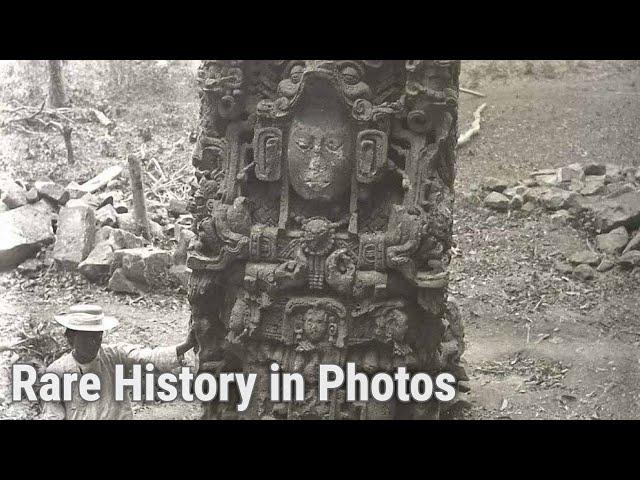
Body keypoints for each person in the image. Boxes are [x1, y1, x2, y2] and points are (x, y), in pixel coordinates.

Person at [41, 304, 196, 420]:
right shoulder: (57, 373)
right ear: (71, 338)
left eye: (98, 337)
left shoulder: (114, 356)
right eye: (88, 337)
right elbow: (52, 415)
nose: (95, 343)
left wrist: (187, 345)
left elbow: (148, 356)